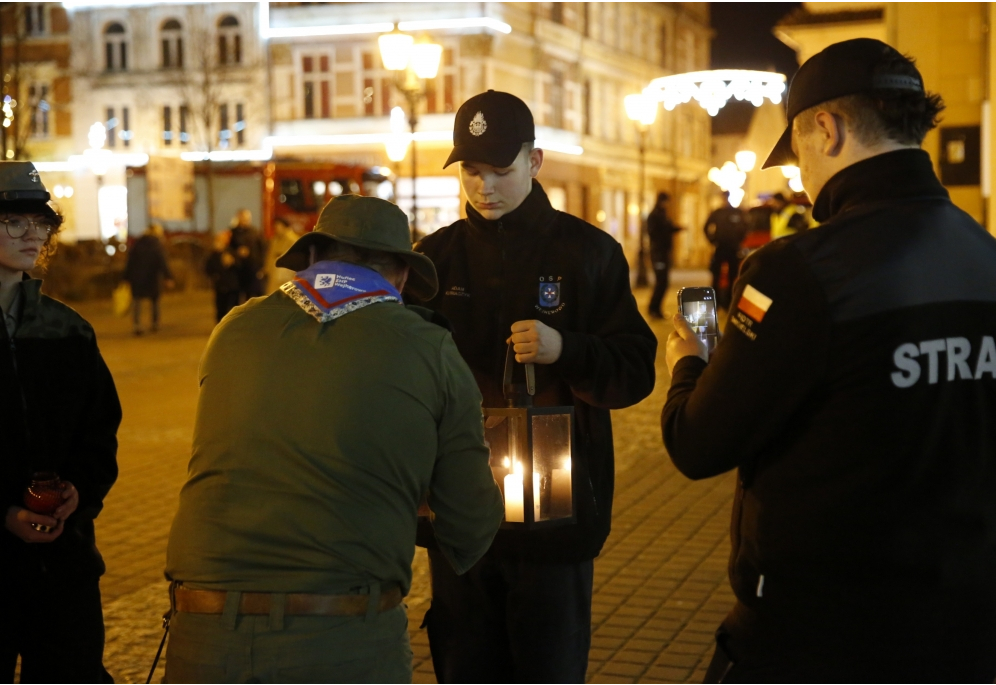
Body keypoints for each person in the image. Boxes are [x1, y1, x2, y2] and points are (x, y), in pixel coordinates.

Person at [662, 38, 996, 682]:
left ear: (826, 129)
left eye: (797, 152)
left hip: (829, 631)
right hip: (971, 619)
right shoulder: (994, 260)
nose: (800, 176)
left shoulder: (799, 270)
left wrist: (689, 361)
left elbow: (697, 442)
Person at [164, 195, 504, 683]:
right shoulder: (428, 346)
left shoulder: (234, 328)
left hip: (202, 636)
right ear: (402, 277)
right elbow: (469, 522)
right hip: (342, 639)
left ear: (311, 260)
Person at [408, 90, 657, 683]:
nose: (484, 186)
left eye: (501, 169)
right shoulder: (432, 260)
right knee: (465, 666)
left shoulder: (589, 253)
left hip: (555, 521)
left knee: (548, 668)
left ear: (535, 161)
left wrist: (565, 349)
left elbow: (635, 370)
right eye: (471, 170)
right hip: (461, 515)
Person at [0, 161, 121, 682]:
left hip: (63, 564)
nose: (33, 235)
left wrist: (78, 492)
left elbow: (99, 434)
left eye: (41, 222)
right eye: (14, 222)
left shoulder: (67, 329)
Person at [123, 222, 174, 335]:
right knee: (155, 301)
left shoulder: (137, 244)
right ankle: (155, 324)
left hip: (137, 278)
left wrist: (126, 277)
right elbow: (162, 262)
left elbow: (130, 262)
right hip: (152, 278)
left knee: (137, 302)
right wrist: (168, 277)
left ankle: (137, 325)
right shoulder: (157, 245)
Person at [702, 192, 748, 309]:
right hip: (720, 247)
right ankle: (715, 302)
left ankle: (728, 302)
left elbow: (745, 227)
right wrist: (712, 240)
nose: (724, 200)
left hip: (733, 248)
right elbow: (706, 227)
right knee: (716, 275)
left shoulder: (737, 212)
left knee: (733, 275)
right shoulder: (717, 213)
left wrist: (739, 241)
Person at [646, 191, 682, 319]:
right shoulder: (655, 215)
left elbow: (668, 228)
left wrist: (677, 228)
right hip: (658, 253)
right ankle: (653, 309)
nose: (668, 204)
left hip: (664, 252)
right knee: (661, 282)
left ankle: (657, 309)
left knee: (664, 282)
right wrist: (667, 232)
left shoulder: (662, 214)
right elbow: (654, 232)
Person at [204, 230, 241, 323]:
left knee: (233, 308)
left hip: (232, 286)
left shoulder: (231, 252)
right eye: (217, 241)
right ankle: (220, 326)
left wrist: (233, 262)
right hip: (220, 286)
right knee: (220, 309)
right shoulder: (213, 255)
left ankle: (232, 326)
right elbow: (208, 268)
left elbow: (240, 266)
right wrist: (214, 275)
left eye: (220, 241)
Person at [228, 209, 265, 301]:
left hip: (252, 269)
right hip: (237, 270)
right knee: (236, 298)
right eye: (243, 218)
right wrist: (237, 253)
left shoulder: (255, 232)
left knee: (252, 296)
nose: (245, 221)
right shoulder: (233, 233)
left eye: (247, 219)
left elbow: (262, 249)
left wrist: (261, 265)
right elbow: (228, 248)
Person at [265, 217, 301, 291]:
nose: (276, 229)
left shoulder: (292, 239)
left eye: (278, 226)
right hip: (275, 273)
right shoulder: (275, 239)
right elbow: (270, 255)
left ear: (284, 227)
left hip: (286, 274)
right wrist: (267, 269)